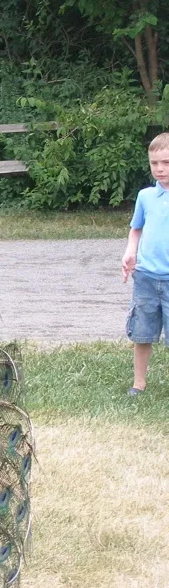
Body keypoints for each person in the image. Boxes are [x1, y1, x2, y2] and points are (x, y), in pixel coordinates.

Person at [121, 132, 169, 395]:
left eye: (167, 163)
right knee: (142, 333)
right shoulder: (145, 197)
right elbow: (136, 229)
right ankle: (139, 382)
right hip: (146, 278)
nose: (160, 169)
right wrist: (131, 252)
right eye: (154, 163)